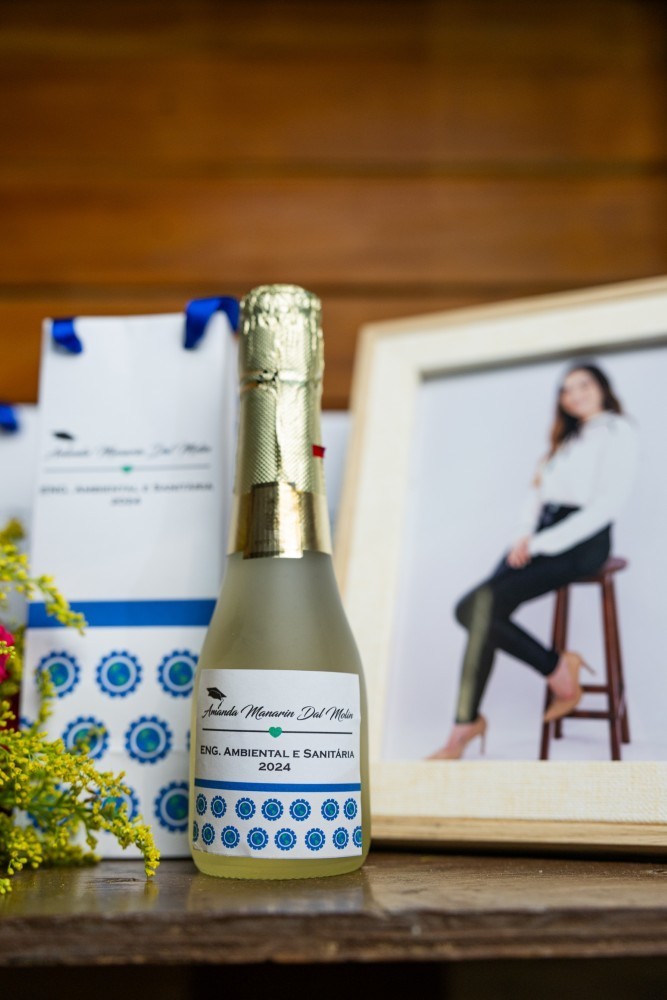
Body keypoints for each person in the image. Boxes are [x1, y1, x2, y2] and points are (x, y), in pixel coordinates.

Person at [427, 361, 638, 760]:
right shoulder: (567, 439)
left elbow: (606, 506)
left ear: (602, 387)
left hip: (583, 542)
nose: (575, 395)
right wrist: (523, 536)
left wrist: (541, 544)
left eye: (583, 385)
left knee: (476, 609)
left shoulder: (618, 431)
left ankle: (553, 672)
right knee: (477, 609)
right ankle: (466, 722)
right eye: (566, 389)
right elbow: (536, 493)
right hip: (542, 534)